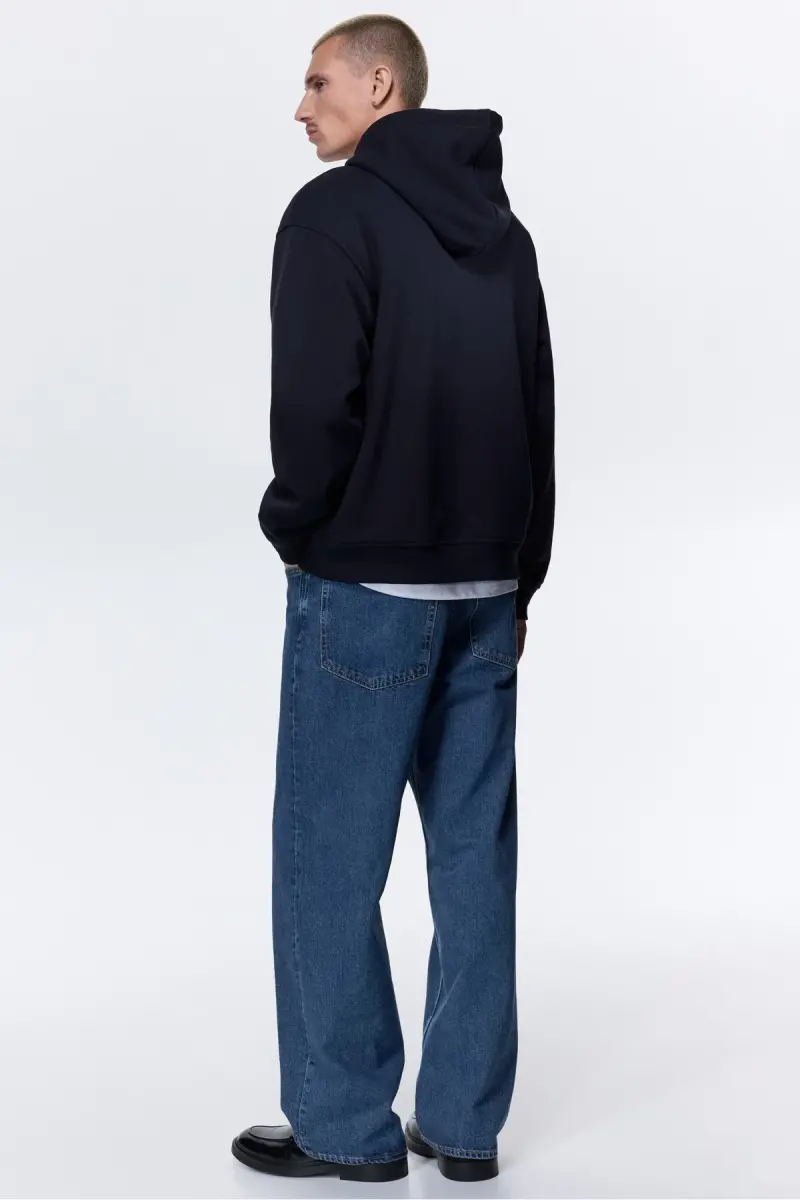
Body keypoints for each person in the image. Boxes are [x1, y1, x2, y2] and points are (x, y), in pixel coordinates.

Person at [231, 12, 555, 1185]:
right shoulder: (504, 234)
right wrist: (523, 575)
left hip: (364, 581)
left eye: (317, 80)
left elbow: (313, 405)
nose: (300, 104)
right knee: (472, 862)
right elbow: (536, 409)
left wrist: (296, 529)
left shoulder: (332, 215)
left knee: (328, 859)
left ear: (379, 85)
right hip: (484, 586)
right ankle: (461, 1125)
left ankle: (344, 1126)